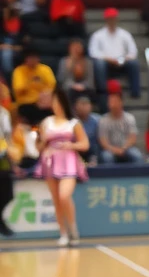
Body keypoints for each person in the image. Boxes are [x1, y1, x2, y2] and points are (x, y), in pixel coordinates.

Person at [34, 87, 89, 246]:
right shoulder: (46, 123)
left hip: (68, 161)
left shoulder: (73, 123)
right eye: (54, 101)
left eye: (58, 101)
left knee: (65, 195)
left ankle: (73, 228)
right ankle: (63, 233)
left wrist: (70, 145)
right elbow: (38, 147)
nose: (56, 104)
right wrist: (43, 140)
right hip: (50, 161)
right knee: (56, 199)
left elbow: (85, 144)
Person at [88, 8, 140, 99]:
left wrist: (123, 59)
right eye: (110, 18)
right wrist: (109, 59)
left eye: (113, 18)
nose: (112, 21)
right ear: (106, 20)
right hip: (106, 62)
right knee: (99, 64)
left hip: (122, 61)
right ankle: (102, 92)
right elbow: (93, 52)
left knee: (134, 63)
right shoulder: (98, 35)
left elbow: (133, 52)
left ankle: (135, 92)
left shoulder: (125, 34)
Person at [98, 90, 143, 165]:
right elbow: (103, 142)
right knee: (106, 157)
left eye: (114, 101)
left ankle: (139, 175)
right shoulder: (103, 120)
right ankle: (110, 176)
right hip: (110, 149)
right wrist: (115, 150)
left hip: (127, 148)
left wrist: (123, 148)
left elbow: (132, 138)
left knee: (136, 155)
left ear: (121, 102)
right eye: (110, 101)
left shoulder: (129, 118)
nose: (112, 104)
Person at [12, 48, 56, 125]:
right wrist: (31, 81)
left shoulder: (45, 69)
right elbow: (19, 90)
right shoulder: (19, 71)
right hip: (26, 103)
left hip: (43, 102)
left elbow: (52, 87)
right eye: (30, 58)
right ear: (25, 59)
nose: (33, 60)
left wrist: (43, 98)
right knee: (28, 110)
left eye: (35, 57)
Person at [57, 40, 96, 105]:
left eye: (78, 47)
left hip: (85, 88)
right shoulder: (64, 61)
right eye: (74, 47)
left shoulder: (88, 62)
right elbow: (61, 79)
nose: (76, 49)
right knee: (69, 92)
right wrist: (73, 85)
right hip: (69, 88)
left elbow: (90, 81)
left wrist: (82, 86)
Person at [0, 104, 15, 237]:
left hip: (2, 155)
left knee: (8, 194)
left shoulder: (4, 113)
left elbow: (8, 137)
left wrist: (13, 161)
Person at [74, 95, 100, 164]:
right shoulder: (71, 121)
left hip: (92, 150)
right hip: (77, 150)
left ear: (90, 106)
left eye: (86, 104)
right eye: (82, 104)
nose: (84, 107)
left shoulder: (97, 120)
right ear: (76, 106)